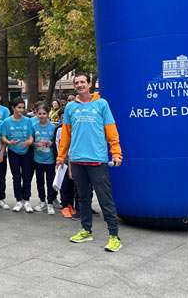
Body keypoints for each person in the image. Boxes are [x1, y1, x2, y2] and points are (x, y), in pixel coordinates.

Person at [57, 72, 123, 252]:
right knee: (83, 199)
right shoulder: (70, 107)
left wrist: (116, 153)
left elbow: (111, 131)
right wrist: (61, 157)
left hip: (97, 161)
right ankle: (86, 230)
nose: (79, 85)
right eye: (76, 82)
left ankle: (114, 236)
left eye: (82, 82)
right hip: (77, 161)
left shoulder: (102, 104)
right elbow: (66, 135)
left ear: (89, 84)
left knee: (105, 199)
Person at [2, 98, 35, 213]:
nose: (21, 110)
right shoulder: (6, 122)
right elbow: (3, 137)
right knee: (16, 177)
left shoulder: (28, 121)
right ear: (13, 108)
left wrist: (29, 142)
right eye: (19, 107)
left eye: (23, 107)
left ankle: (26, 200)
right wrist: (8, 142)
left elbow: (31, 136)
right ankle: (18, 200)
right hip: (13, 152)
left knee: (27, 176)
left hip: (26, 152)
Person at [32, 102, 57, 215]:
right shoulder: (34, 126)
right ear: (36, 114)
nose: (42, 115)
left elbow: (56, 143)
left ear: (48, 114)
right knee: (39, 182)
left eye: (44, 113)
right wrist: (35, 144)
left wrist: (50, 143)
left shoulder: (52, 127)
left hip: (50, 160)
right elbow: (30, 141)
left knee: (50, 182)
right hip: (38, 160)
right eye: (39, 113)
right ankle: (42, 201)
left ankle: (50, 202)